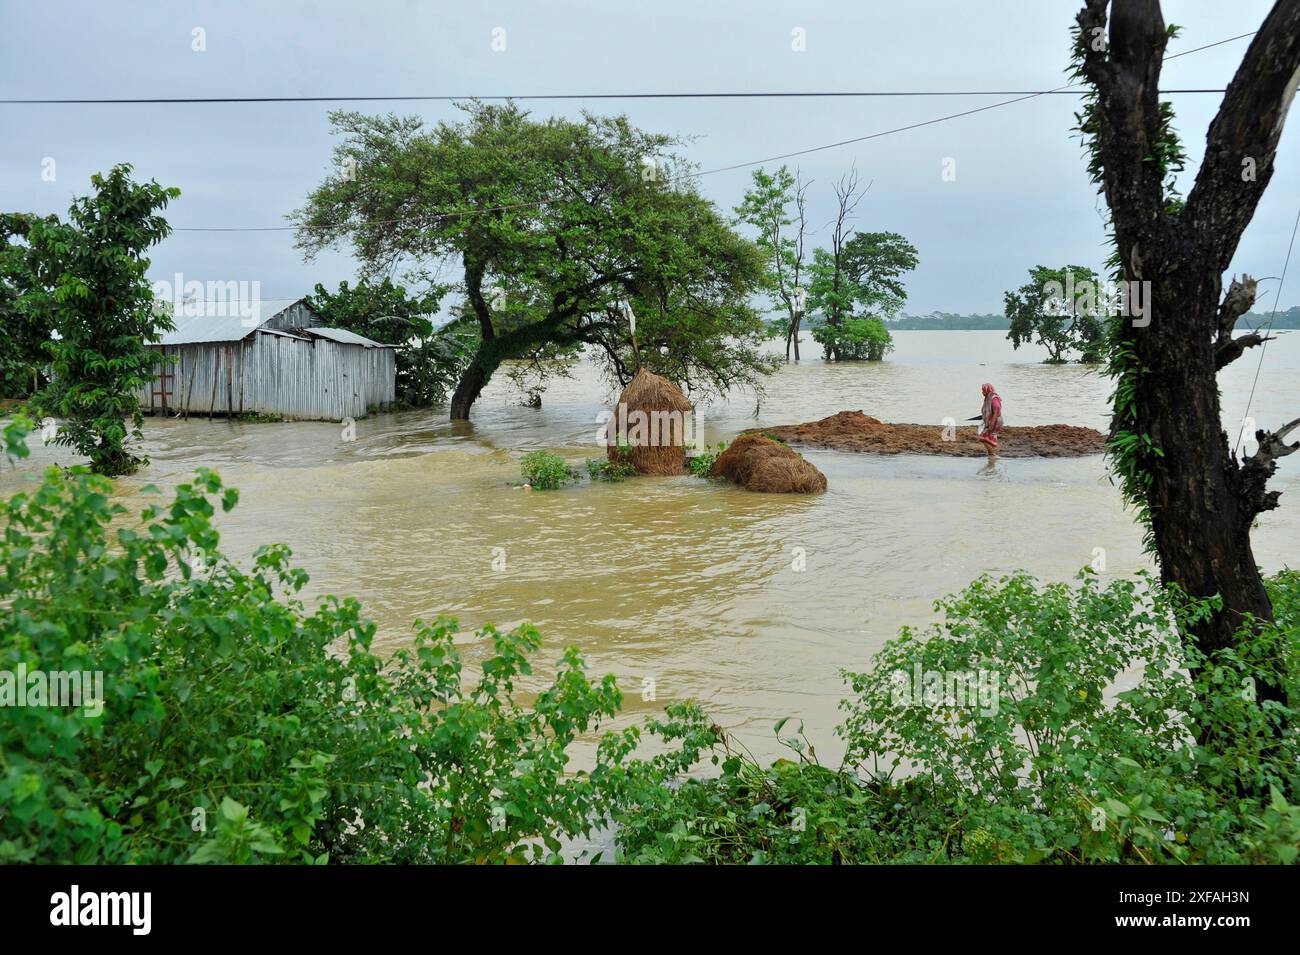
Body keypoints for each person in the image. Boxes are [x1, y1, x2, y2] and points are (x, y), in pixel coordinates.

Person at [978, 382, 1002, 464]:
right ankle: (991, 458)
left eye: (983, 390)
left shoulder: (993, 398)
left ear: (987, 390)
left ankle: (993, 455)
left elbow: (997, 411)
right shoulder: (988, 398)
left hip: (995, 421)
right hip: (992, 421)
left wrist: (992, 423)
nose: (982, 392)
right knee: (988, 439)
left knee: (983, 438)